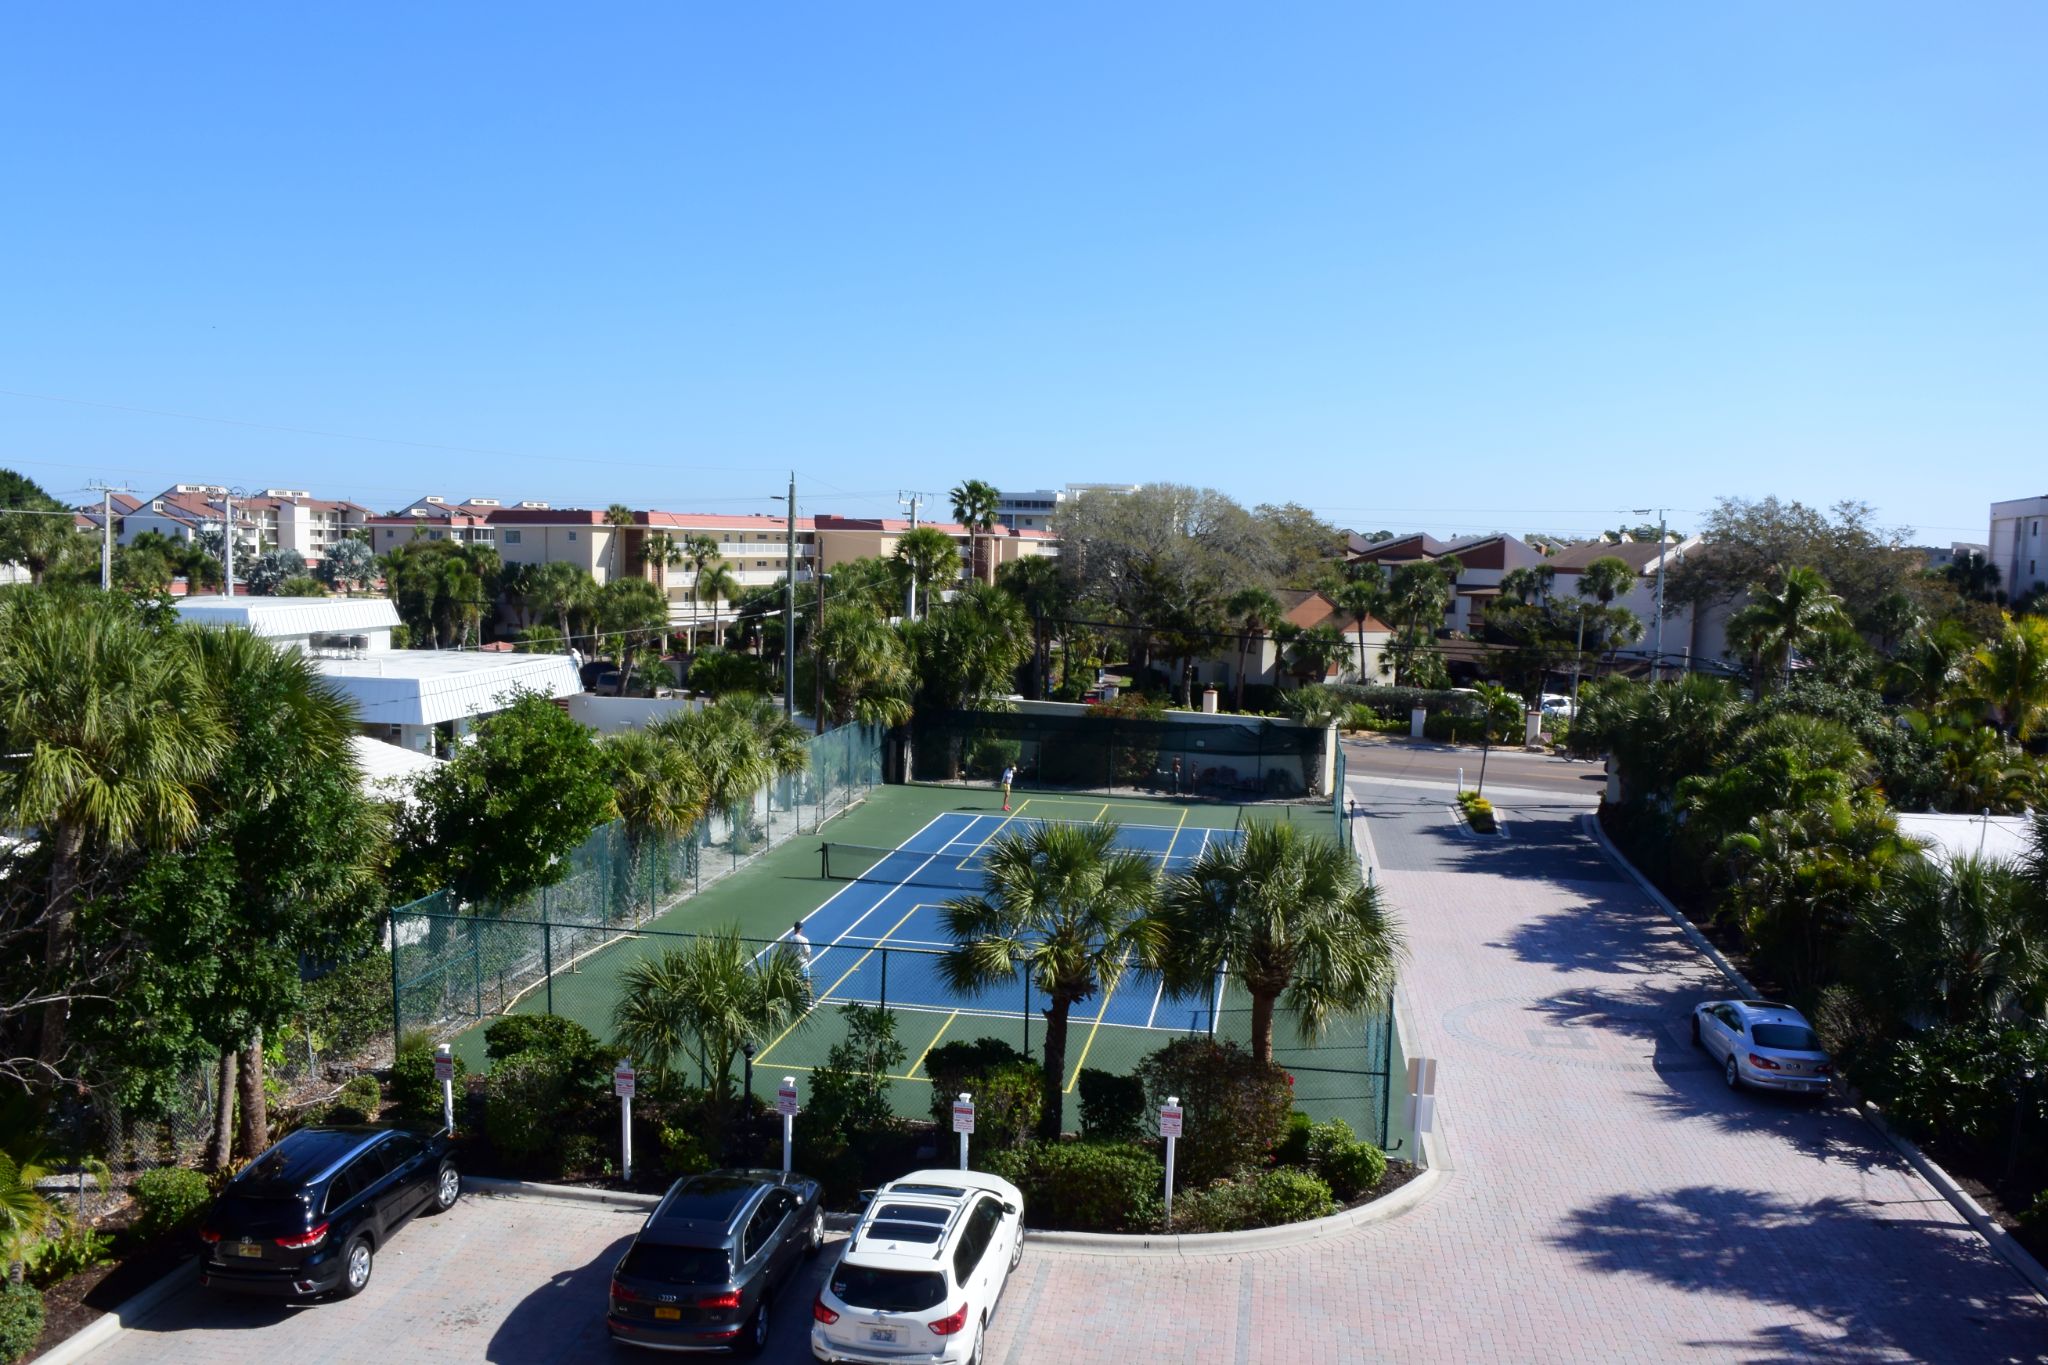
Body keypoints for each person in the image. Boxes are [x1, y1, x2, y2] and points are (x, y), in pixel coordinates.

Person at [789, 919, 813, 987]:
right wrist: (809, 959)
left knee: (793, 981)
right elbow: (808, 952)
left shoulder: (790, 939)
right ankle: (809, 996)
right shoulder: (804, 940)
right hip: (803, 963)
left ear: (795, 929)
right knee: (807, 981)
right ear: (800, 929)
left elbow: (786, 951)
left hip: (793, 963)